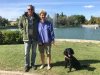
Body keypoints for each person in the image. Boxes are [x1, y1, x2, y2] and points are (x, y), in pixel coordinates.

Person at [19, 5, 39, 72]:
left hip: (34, 38)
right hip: (26, 38)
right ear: (27, 10)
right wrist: (23, 32)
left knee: (34, 52)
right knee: (26, 53)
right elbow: (20, 25)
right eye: (29, 9)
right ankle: (26, 65)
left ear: (33, 9)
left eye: (31, 9)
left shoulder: (37, 17)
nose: (30, 10)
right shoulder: (23, 17)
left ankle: (33, 64)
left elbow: (40, 25)